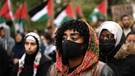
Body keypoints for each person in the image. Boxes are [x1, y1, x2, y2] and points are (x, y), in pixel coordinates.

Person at [48, 19, 114, 76]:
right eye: (63, 38)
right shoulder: (54, 70)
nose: (67, 41)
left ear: (86, 43)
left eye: (74, 38)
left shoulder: (101, 71)